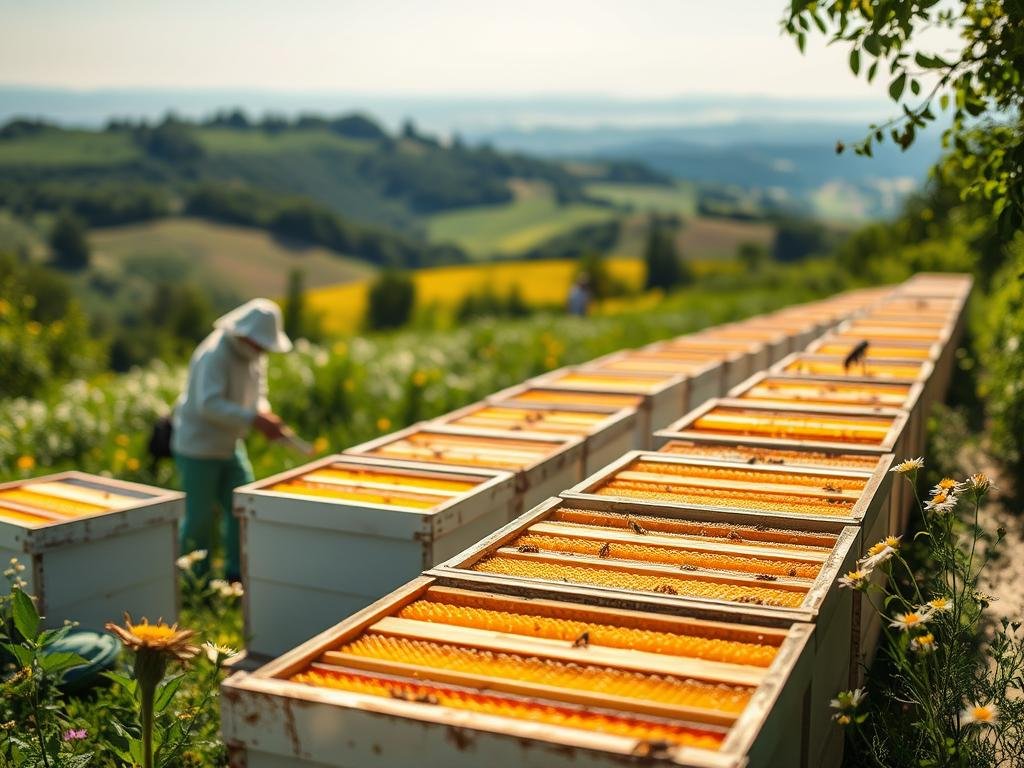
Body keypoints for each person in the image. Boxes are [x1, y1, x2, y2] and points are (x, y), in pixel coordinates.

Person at [171, 298, 293, 582]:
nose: (262, 350)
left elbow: (258, 392)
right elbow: (208, 404)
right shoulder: (214, 353)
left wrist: (264, 413)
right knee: (199, 519)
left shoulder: (253, 356)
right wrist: (253, 418)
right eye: (259, 343)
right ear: (244, 334)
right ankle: (193, 582)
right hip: (198, 447)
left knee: (242, 507)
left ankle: (236, 575)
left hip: (229, 444)